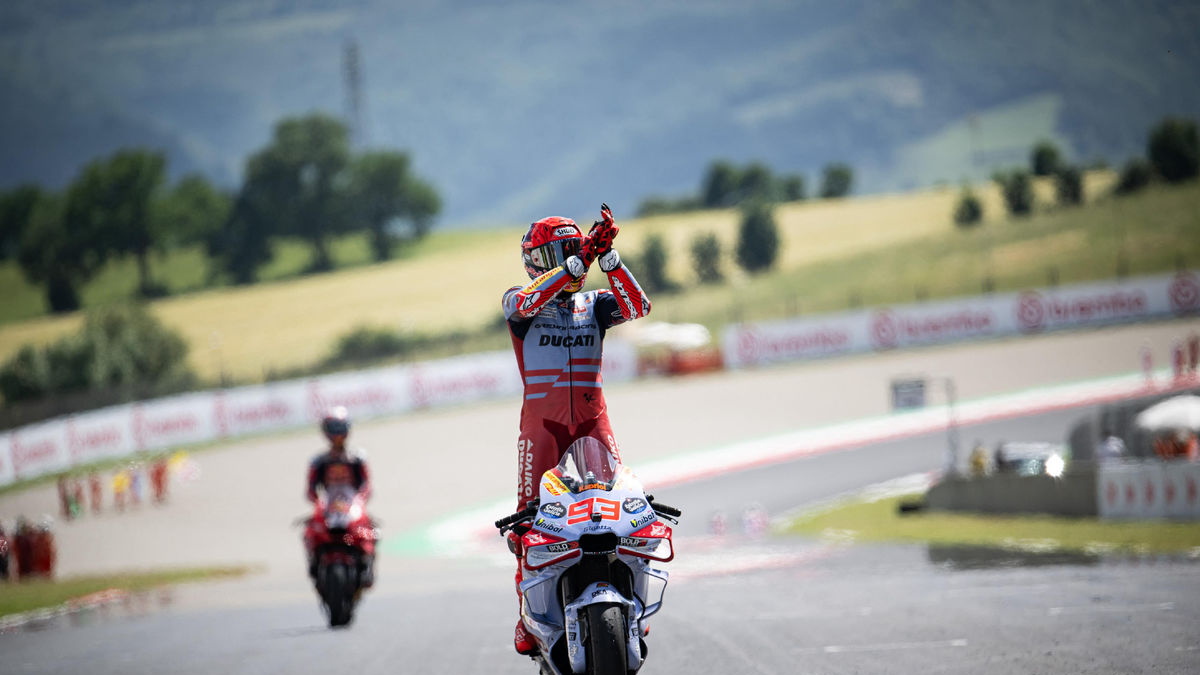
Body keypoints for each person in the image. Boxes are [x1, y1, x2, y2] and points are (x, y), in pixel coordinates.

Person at [502, 203, 651, 655]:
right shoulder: (518, 301)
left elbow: (637, 305)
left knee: (630, 510)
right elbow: (529, 300)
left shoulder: (594, 304)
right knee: (525, 529)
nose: (574, 257)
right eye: (562, 251)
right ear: (537, 262)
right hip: (541, 428)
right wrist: (576, 260)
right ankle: (528, 618)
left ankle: (635, 608)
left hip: (593, 421)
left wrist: (609, 260)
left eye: (576, 247)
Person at [305, 406, 374, 587]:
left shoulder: (357, 458)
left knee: (368, 531)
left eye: (340, 427)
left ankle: (366, 564)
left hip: (351, 502)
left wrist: (360, 499)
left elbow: (366, 485)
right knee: (311, 531)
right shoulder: (318, 461)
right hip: (329, 503)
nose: (337, 433)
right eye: (333, 428)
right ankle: (315, 563)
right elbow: (311, 488)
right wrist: (317, 501)